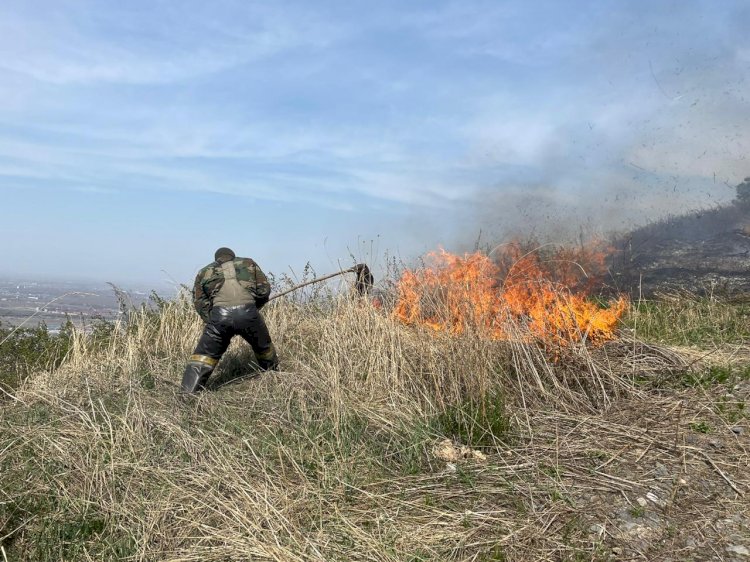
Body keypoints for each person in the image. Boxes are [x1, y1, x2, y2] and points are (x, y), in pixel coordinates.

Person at [181, 247, 279, 392]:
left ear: (217, 259)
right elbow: (264, 290)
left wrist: (212, 320)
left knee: (202, 357)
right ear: (233, 256)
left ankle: (187, 396)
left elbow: (200, 302)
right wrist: (252, 309)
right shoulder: (249, 263)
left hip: (220, 318)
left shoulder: (204, 271)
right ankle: (275, 383)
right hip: (249, 313)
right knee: (264, 347)